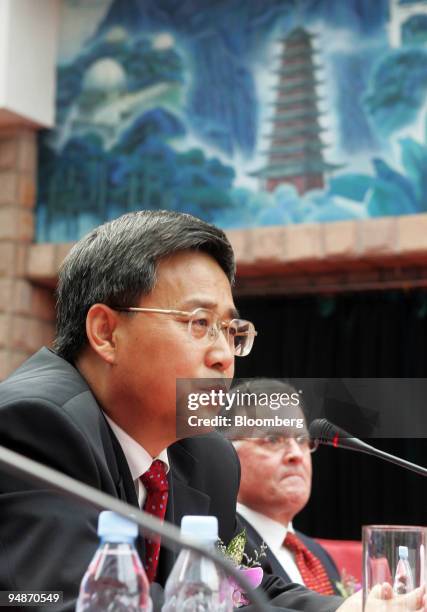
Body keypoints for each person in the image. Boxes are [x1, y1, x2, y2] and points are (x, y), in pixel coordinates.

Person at [0, 211, 424, 612]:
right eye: (199, 323)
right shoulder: (37, 425)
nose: (224, 356)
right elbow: (67, 600)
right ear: (106, 333)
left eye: (231, 331)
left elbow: (245, 588)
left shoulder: (205, 456)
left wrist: (351, 608)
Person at [231, 379, 341, 594]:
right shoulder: (223, 544)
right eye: (273, 439)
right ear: (227, 453)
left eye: (302, 439)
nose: (296, 454)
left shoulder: (317, 554)